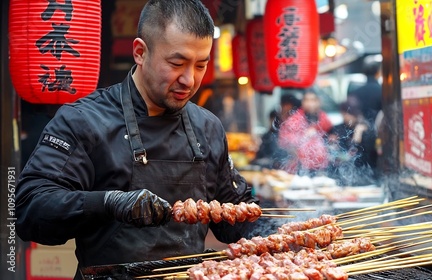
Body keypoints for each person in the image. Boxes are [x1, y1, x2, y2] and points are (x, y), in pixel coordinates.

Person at [15, 0, 258, 277]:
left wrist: (276, 225)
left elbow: (233, 221)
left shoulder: (208, 127)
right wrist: (108, 203)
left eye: (201, 65)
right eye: (177, 63)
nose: (189, 80)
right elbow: (30, 210)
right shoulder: (84, 121)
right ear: (140, 52)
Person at [278, 88, 333, 176]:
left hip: (321, 168)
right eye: (307, 100)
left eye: (313, 100)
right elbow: (284, 141)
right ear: (302, 102)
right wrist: (303, 137)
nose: (310, 104)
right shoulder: (294, 120)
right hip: (299, 169)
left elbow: (331, 137)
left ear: (319, 102)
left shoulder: (324, 118)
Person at [330, 96, 378, 185]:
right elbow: (336, 152)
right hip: (342, 174)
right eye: (343, 113)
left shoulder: (365, 129)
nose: (345, 116)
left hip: (364, 175)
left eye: (347, 113)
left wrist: (358, 137)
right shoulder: (338, 129)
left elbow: (369, 154)